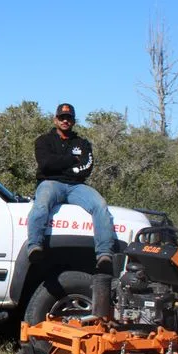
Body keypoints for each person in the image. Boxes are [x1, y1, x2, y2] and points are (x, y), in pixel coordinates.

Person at [26, 102, 115, 271]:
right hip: (50, 183)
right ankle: (34, 246)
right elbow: (45, 164)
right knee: (41, 203)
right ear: (55, 120)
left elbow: (86, 168)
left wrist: (62, 165)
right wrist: (71, 160)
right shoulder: (43, 141)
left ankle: (104, 254)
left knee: (100, 205)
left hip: (76, 187)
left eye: (68, 118)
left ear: (73, 121)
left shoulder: (82, 143)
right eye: (62, 118)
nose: (65, 121)